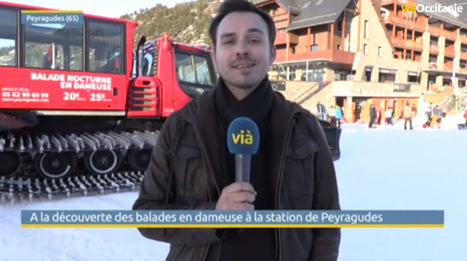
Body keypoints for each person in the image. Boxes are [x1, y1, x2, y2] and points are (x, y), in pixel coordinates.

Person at [132, 1, 341, 260]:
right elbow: (146, 214)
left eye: (253, 40)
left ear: (272, 53)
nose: (241, 50)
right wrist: (213, 216)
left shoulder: (304, 127)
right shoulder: (181, 126)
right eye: (229, 41)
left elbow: (327, 223)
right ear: (214, 55)